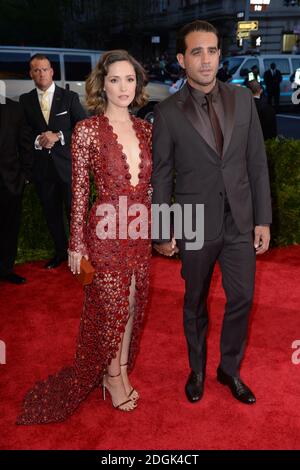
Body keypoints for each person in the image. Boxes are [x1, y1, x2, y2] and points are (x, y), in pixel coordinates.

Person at [16, 50, 152, 424]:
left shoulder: (145, 129)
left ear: (137, 84)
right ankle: (111, 378)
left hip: (138, 234)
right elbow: (79, 192)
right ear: (101, 85)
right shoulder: (87, 131)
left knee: (131, 306)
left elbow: (151, 188)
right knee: (111, 310)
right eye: (115, 80)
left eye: (130, 79)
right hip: (105, 234)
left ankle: (120, 370)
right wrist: (76, 243)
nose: (123, 87)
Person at [152, 20, 272, 405]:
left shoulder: (242, 100)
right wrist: (162, 230)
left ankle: (229, 369)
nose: (206, 60)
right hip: (194, 223)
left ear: (221, 54)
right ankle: (198, 368)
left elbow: (256, 163)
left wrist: (263, 219)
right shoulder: (168, 111)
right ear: (182, 59)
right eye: (197, 52)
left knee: (242, 299)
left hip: (239, 220)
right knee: (195, 301)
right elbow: (161, 174)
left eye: (213, 50)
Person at [19, 54, 86, 270]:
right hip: (42, 169)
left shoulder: (70, 97)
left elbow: (82, 128)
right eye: (36, 70)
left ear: (52, 71)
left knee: (73, 212)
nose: (41, 73)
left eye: (45, 69)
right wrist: (38, 140)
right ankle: (60, 253)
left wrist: (59, 136)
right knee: (52, 214)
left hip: (67, 167)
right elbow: (23, 132)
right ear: (31, 74)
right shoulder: (25, 100)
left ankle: (80, 254)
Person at [0, 98, 32, 284]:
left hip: (9, 182)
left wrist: (25, 176)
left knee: (9, 228)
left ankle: (5, 269)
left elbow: (25, 144)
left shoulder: (14, 109)